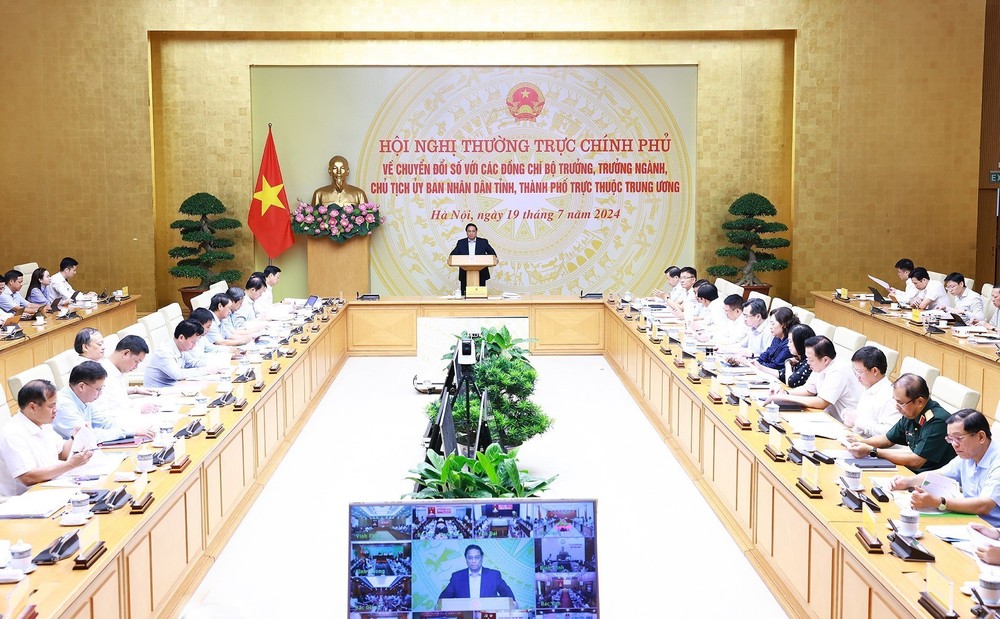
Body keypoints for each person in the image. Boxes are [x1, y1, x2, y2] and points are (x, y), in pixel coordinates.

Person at [887, 409, 1000, 525]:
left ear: (981, 437)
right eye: (950, 439)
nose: (954, 445)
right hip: (971, 521)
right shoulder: (968, 454)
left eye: (959, 438)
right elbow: (940, 473)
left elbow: (985, 505)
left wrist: (938, 502)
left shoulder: (997, 462)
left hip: (993, 531)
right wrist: (909, 481)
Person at [0, 380, 94, 497]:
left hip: (49, 488)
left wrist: (76, 436)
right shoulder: (13, 433)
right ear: (33, 407)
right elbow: (28, 477)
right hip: (24, 500)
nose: (56, 410)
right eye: (51, 406)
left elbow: (63, 453)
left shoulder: (43, 425)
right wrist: (70, 464)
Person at [846, 373, 955, 472]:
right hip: (909, 472)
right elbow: (888, 439)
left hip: (929, 480)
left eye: (900, 403)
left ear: (920, 402)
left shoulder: (937, 421)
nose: (897, 407)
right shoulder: (911, 412)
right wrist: (859, 443)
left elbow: (916, 461)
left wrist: (872, 451)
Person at [767, 335, 862, 422]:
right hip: (827, 417)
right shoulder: (821, 364)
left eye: (810, 359)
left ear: (825, 359)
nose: (807, 362)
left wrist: (786, 398)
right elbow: (808, 389)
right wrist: (785, 393)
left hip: (845, 424)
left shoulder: (839, 370)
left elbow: (821, 402)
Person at [54, 361, 153, 443]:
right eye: (98, 389)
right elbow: (87, 437)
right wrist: (130, 432)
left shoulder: (84, 398)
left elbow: (104, 423)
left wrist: (133, 429)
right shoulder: (63, 405)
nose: (100, 393)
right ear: (81, 386)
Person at [841, 346, 899, 437]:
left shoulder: (889, 396)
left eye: (859, 372)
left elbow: (890, 433)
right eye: (855, 371)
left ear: (874, 371)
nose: (857, 376)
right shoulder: (868, 386)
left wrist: (857, 421)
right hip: (857, 440)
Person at [95, 335, 159, 416]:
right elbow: (102, 416)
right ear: (126, 353)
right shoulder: (101, 376)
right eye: (136, 361)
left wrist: (135, 390)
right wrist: (138, 410)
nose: (136, 367)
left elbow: (120, 401)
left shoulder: (116, 370)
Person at [144, 319, 214, 388]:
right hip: (158, 393)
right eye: (193, 342)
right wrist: (205, 371)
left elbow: (192, 363)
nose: (194, 346)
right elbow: (178, 374)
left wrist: (213, 365)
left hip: (174, 388)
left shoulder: (180, 348)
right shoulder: (164, 352)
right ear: (181, 338)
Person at [438, 544, 515, 603]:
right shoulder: (457, 577)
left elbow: (508, 596)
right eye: (470, 558)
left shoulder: (493, 575)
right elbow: (442, 601)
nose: (473, 561)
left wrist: (513, 603)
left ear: (482, 558)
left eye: (477, 557)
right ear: (466, 559)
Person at [450, 223, 497, 295]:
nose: (471, 233)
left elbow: (493, 254)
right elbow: (452, 255)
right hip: (465, 274)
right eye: (469, 231)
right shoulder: (461, 243)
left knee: (480, 297)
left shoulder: (483, 242)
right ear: (466, 232)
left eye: (473, 231)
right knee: (464, 298)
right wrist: (450, 259)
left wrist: (494, 259)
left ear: (476, 232)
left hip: (481, 273)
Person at [748, 306, 797, 374]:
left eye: (773, 323)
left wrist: (757, 365)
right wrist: (755, 362)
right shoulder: (777, 337)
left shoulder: (789, 344)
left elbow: (776, 366)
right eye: (770, 323)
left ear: (784, 324)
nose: (770, 327)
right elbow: (766, 354)